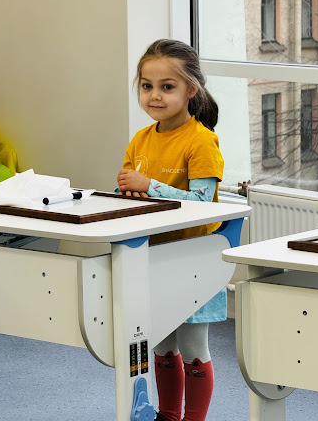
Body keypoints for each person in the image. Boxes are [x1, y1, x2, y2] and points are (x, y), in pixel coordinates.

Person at [117, 39, 225, 421]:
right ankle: (168, 416)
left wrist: (149, 185)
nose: (155, 96)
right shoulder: (141, 139)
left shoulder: (202, 141)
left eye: (167, 86)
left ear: (190, 89)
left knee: (193, 346)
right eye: (147, 86)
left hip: (194, 257)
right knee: (161, 346)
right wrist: (128, 190)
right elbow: (132, 193)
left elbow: (202, 201)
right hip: (153, 256)